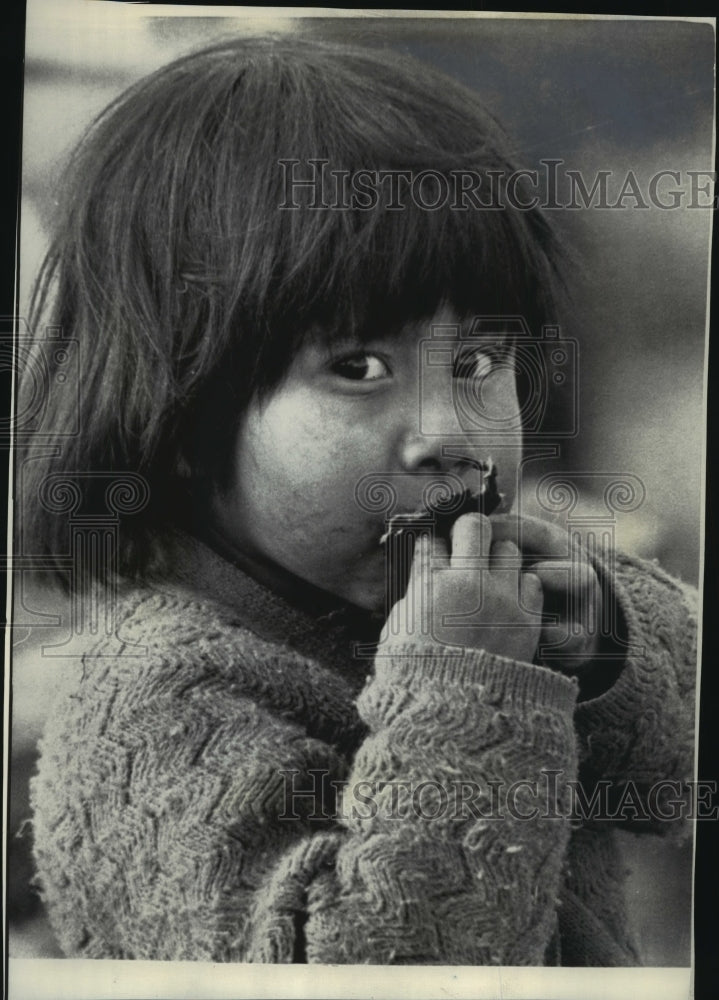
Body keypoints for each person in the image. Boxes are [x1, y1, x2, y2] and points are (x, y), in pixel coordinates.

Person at [20, 34, 696, 965]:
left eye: (476, 361)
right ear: (180, 418)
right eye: (358, 367)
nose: (447, 431)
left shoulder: (487, 599)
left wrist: (602, 635)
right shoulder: (155, 709)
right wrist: (469, 695)